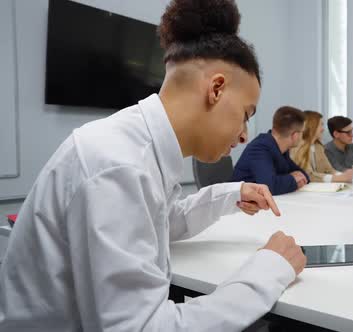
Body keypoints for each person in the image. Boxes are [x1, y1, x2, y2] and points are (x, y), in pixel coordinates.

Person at [0, 1, 307, 331]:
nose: (245, 134)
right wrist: (268, 269)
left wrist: (233, 194)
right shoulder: (119, 163)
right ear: (216, 88)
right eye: (246, 114)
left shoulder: (136, 145)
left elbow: (161, 219)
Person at [232, 106, 310, 195]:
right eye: (302, 132)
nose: (302, 136)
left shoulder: (282, 148)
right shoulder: (259, 148)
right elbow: (269, 186)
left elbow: (303, 175)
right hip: (238, 205)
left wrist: (292, 178)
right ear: (295, 135)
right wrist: (292, 179)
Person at [291, 111, 353, 183]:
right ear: (312, 126)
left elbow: (329, 169)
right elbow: (308, 175)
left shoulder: (318, 147)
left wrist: (343, 175)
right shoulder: (298, 147)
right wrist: (340, 178)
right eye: (321, 125)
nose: (323, 129)